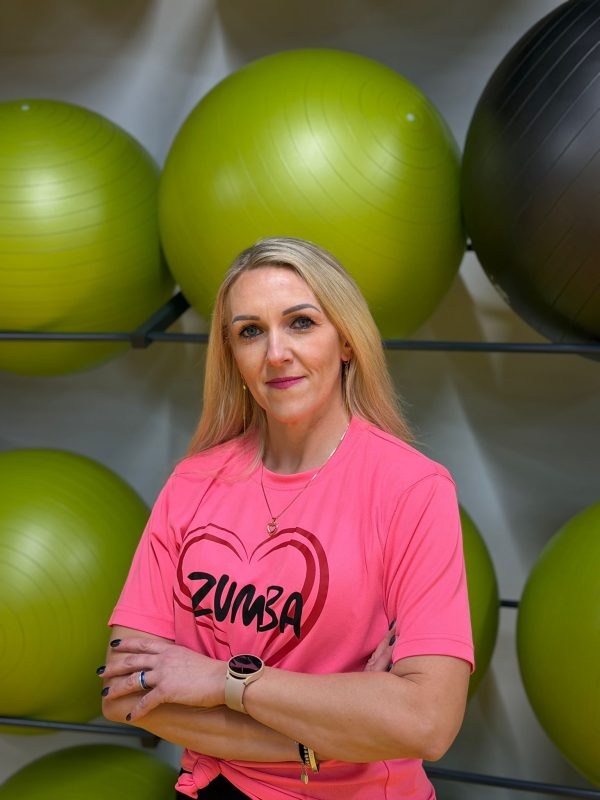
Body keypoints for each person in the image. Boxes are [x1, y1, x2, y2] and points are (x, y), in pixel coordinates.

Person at [100, 236, 474, 799]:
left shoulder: (413, 490)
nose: (276, 353)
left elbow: (427, 723)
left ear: (345, 341)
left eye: (301, 323)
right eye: (250, 331)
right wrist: (337, 731)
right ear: (232, 355)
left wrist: (219, 680)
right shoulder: (192, 484)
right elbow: (126, 693)